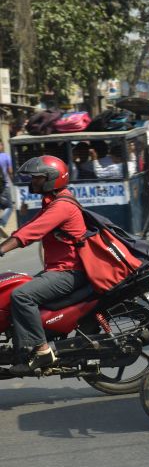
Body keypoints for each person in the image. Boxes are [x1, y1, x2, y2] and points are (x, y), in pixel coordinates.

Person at [0, 156, 88, 374]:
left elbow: (32, 232)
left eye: (37, 178)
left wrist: (2, 249)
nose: (33, 182)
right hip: (60, 269)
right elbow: (30, 225)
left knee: (21, 296)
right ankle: (24, 348)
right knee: (15, 284)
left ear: (51, 179)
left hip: (69, 272)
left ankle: (41, 349)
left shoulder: (63, 206)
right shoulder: (54, 201)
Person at [0, 142, 14, 237]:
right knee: (9, 206)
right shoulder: (5, 156)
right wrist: (14, 181)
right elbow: (10, 171)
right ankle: (1, 223)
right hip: (4, 186)